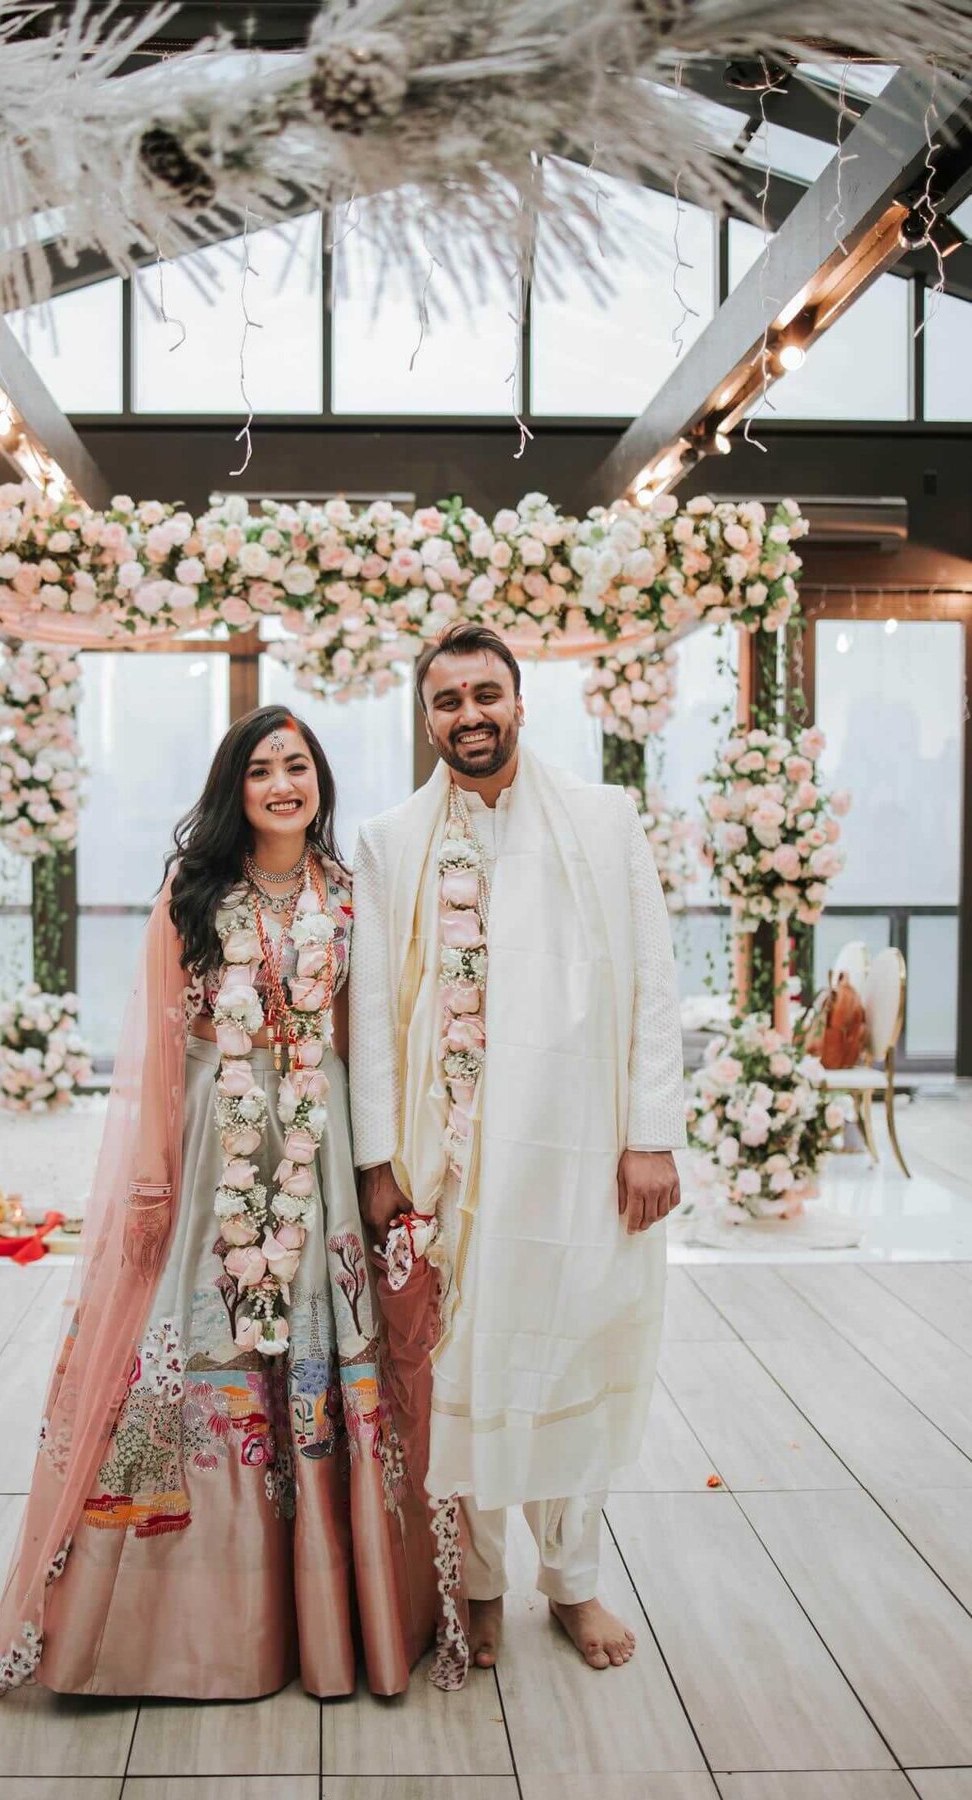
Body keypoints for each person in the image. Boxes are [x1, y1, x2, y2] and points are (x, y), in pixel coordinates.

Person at [0, 705, 436, 1706]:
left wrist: (379, 1165)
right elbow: (164, 1049)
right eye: (261, 770)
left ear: (320, 782)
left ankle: (340, 1616)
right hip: (221, 1140)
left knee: (318, 1346)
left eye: (297, 767)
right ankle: (174, 1626)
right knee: (197, 1337)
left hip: (321, 1137)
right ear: (236, 790)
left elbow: (368, 1039)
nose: (283, 785)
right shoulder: (192, 892)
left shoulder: (349, 897)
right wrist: (154, 1175)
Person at [350, 622, 684, 1684]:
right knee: (464, 1371)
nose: (470, 717)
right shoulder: (391, 841)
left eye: (486, 695)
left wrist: (649, 1137)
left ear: (522, 700)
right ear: (426, 717)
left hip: (578, 1152)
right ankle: (480, 1588)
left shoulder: (602, 818)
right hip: (444, 1166)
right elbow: (365, 1020)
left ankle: (574, 1582)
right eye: (447, 702)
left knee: (571, 1350)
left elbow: (655, 984)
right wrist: (375, 1164)